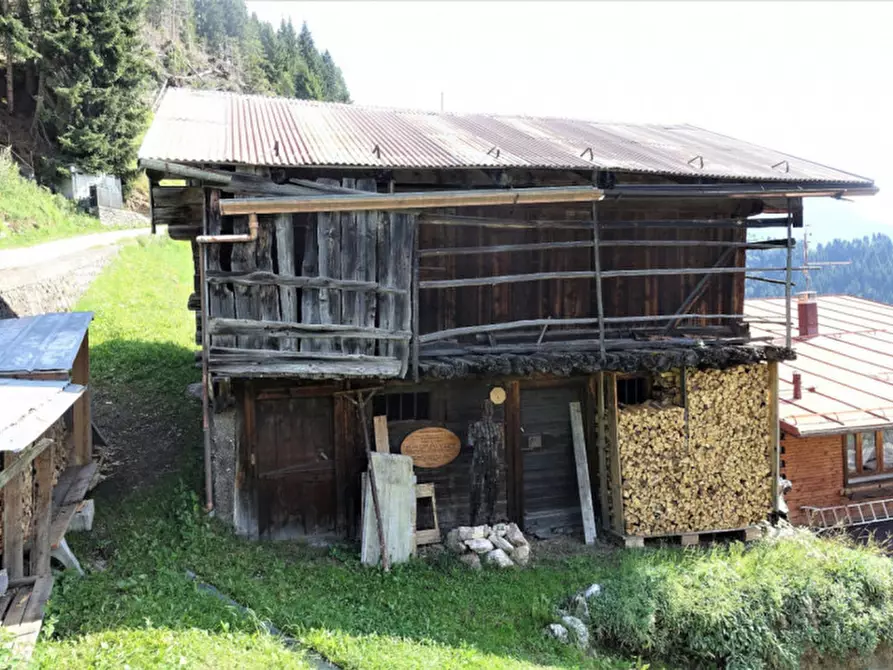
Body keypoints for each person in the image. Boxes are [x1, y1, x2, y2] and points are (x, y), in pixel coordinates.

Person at [468, 399, 502, 526]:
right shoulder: (474, 426)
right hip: (479, 461)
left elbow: (499, 443)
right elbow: (470, 443)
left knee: (493, 490)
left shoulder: (496, 427)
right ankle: (474, 520)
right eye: (485, 410)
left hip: (493, 461)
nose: (488, 412)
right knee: (476, 490)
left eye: (490, 409)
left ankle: (490, 518)